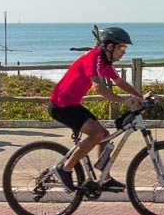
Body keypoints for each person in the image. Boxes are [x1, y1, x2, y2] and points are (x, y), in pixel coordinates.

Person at [47, 27, 150, 192]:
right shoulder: (94, 58)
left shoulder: (105, 61)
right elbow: (98, 87)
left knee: (104, 135)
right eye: (122, 47)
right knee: (97, 134)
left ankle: (105, 178)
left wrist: (141, 96)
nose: (124, 52)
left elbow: (119, 82)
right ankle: (65, 169)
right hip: (61, 105)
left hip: (71, 104)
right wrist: (125, 101)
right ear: (110, 47)